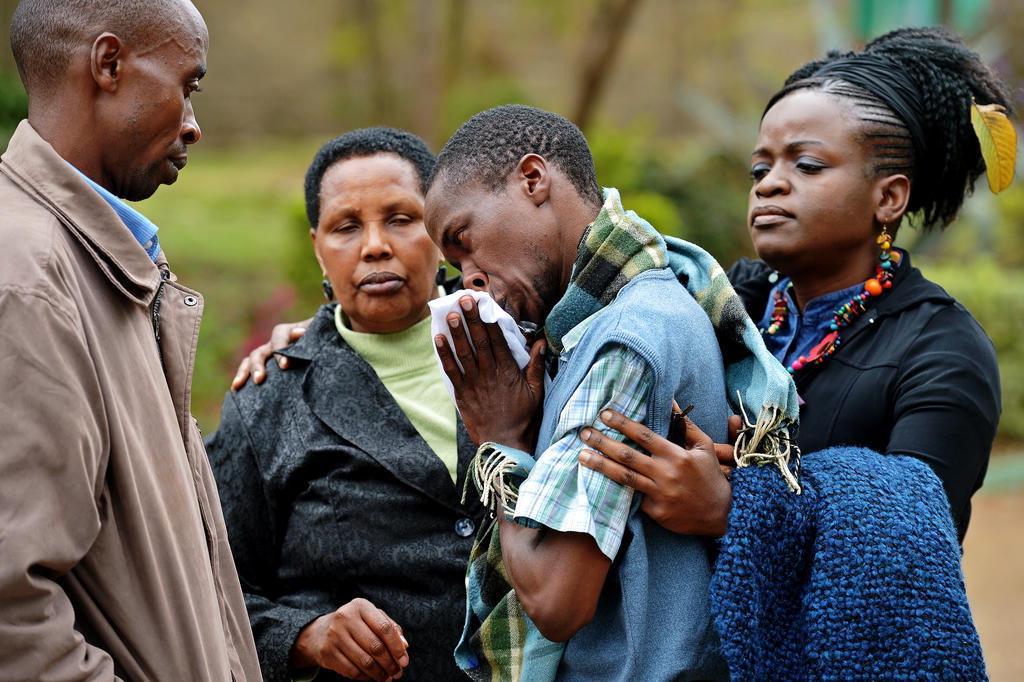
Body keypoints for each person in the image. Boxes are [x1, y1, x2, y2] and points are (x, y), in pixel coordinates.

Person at [579, 26, 1007, 544]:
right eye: (760, 167)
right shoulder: (721, 300)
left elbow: (913, 540)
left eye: (807, 164)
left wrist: (732, 510)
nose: (769, 184)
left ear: (889, 198)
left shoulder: (943, 350)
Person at [426, 105, 737, 680]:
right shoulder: (632, 306)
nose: (468, 276)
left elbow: (556, 602)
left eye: (464, 239)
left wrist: (499, 441)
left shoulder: (624, 339)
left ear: (533, 179)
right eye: (454, 263)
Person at [0, 1, 261, 680]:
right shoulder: (27, 279)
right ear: (109, 64)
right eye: (188, 85)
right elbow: (12, 613)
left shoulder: (101, 258)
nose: (194, 125)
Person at [205, 128, 485, 681]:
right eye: (347, 226)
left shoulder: (516, 347)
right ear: (317, 247)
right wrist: (306, 635)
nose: (376, 245)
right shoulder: (270, 399)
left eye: (401, 219)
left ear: (440, 229)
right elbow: (214, 589)